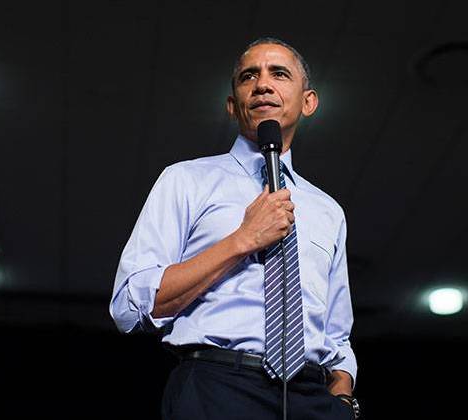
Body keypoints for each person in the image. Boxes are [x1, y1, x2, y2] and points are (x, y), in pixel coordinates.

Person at [109, 37, 359, 420]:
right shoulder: (186, 180)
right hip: (216, 387)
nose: (262, 84)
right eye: (248, 76)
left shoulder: (328, 211)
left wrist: (340, 399)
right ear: (232, 106)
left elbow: (337, 334)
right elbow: (129, 305)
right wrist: (242, 241)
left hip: (310, 396)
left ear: (308, 102)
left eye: (278, 73)